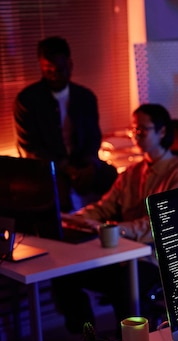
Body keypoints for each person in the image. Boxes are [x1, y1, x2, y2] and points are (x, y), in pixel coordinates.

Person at [51, 103, 178, 334]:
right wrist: (76, 219)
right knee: (63, 273)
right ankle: (88, 338)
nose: (136, 135)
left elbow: (158, 225)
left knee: (124, 287)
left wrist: (114, 229)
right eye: (133, 130)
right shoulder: (132, 172)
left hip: (154, 261)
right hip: (120, 254)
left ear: (161, 131)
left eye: (142, 130)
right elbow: (105, 206)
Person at [13, 36, 117, 212]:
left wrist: (90, 164)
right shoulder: (27, 100)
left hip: (81, 162)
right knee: (56, 191)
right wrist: (64, 168)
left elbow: (93, 137)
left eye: (59, 70)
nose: (54, 76)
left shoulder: (85, 97)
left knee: (112, 177)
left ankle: (112, 228)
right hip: (47, 167)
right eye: (48, 71)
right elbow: (29, 147)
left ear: (69, 64)